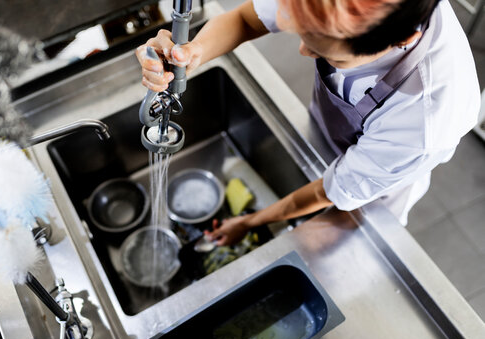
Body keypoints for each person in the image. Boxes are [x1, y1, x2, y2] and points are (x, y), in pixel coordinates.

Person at [136, 0, 480, 246]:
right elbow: (246, 19)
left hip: (373, 189)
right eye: (299, 31)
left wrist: (250, 221)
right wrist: (194, 52)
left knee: (342, 244)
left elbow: (329, 190)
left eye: (327, 53)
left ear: (402, 40)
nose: (302, 51)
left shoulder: (425, 117)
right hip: (330, 135)